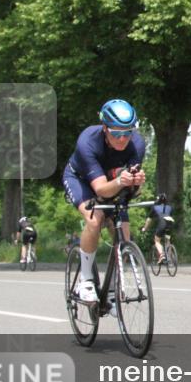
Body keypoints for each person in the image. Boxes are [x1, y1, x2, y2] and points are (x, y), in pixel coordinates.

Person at [62, 99, 146, 304]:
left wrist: (136, 184)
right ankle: (86, 280)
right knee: (94, 219)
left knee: (124, 234)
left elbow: (130, 188)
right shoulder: (87, 142)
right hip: (81, 180)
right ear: (105, 128)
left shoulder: (137, 144)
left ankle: (111, 287)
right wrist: (120, 180)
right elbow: (100, 189)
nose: (123, 139)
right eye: (117, 133)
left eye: (128, 132)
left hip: (112, 182)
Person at [142, 194, 174, 264]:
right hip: (170, 223)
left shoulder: (155, 207)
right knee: (167, 240)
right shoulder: (170, 207)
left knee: (157, 241)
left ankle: (162, 255)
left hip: (162, 224)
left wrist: (145, 228)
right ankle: (169, 258)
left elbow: (148, 220)